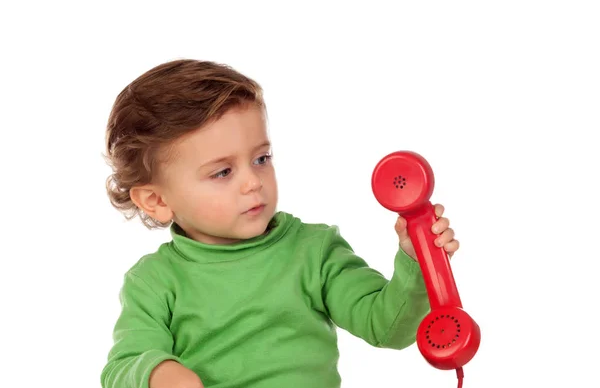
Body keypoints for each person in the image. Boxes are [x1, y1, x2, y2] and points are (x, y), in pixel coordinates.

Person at [100, 59, 460, 388]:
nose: (253, 182)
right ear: (158, 201)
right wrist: (157, 372)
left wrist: (416, 261)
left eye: (261, 158)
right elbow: (122, 366)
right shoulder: (153, 282)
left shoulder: (315, 252)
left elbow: (387, 327)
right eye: (223, 171)